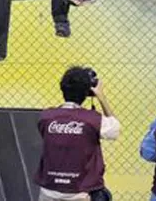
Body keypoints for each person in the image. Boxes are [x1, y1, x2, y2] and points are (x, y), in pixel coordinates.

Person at [35, 66, 120, 201]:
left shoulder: (46, 117)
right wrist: (101, 97)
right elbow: (115, 130)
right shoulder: (92, 119)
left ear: (63, 89)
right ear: (86, 93)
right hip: (79, 191)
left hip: (49, 189)